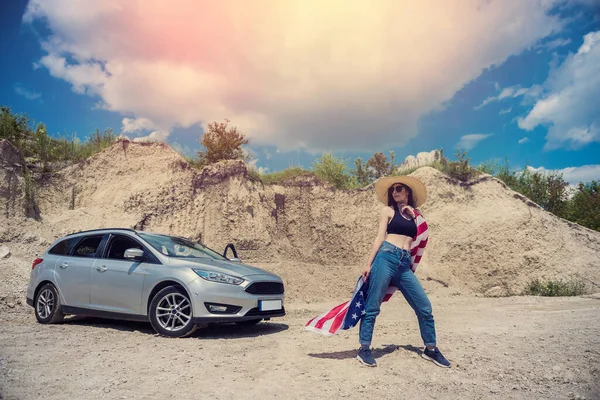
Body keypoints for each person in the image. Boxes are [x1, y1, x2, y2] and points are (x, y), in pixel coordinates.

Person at [356, 175, 450, 368]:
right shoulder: (388, 210)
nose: (395, 191)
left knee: (424, 306)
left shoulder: (417, 216)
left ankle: (430, 349)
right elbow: (380, 237)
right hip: (386, 257)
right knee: (373, 305)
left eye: (399, 188)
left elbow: (423, 235)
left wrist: (413, 213)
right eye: (393, 189)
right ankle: (364, 348)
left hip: (404, 264)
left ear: (407, 191)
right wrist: (368, 264)